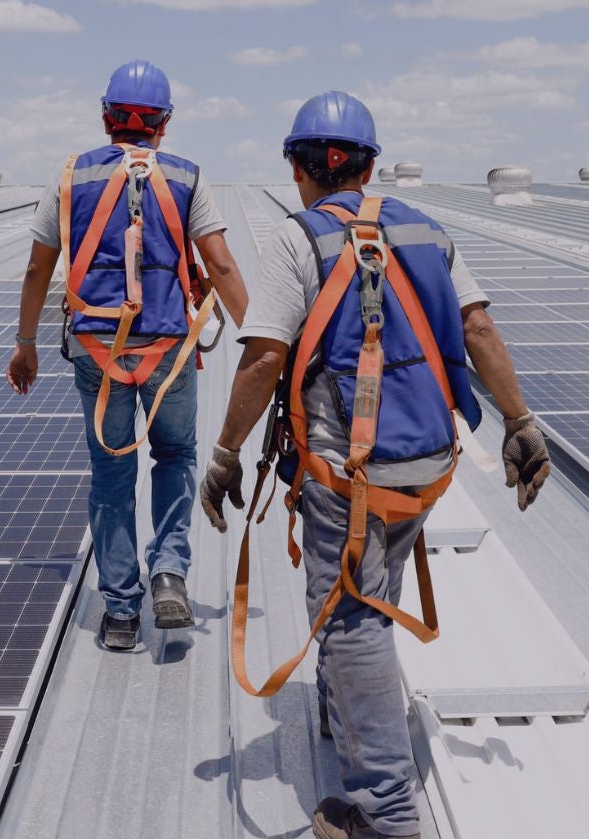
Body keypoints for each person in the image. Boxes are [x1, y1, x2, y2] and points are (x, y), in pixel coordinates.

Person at [198, 91, 551, 839]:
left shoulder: (298, 240)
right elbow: (478, 326)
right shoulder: (427, 230)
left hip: (345, 474)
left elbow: (264, 358)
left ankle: (387, 814)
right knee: (368, 584)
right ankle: (341, 713)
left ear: (299, 168)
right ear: (368, 164)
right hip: (422, 465)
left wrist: (226, 455)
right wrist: (520, 423)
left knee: (354, 619)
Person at [8, 59, 249, 652]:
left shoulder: (71, 177)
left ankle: (119, 611)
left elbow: (41, 265)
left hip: (98, 348)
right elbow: (219, 265)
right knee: (174, 456)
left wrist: (25, 343)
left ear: (106, 117)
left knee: (111, 471)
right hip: (167, 350)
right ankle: (169, 571)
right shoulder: (188, 178)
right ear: (163, 124)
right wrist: (263, 340)